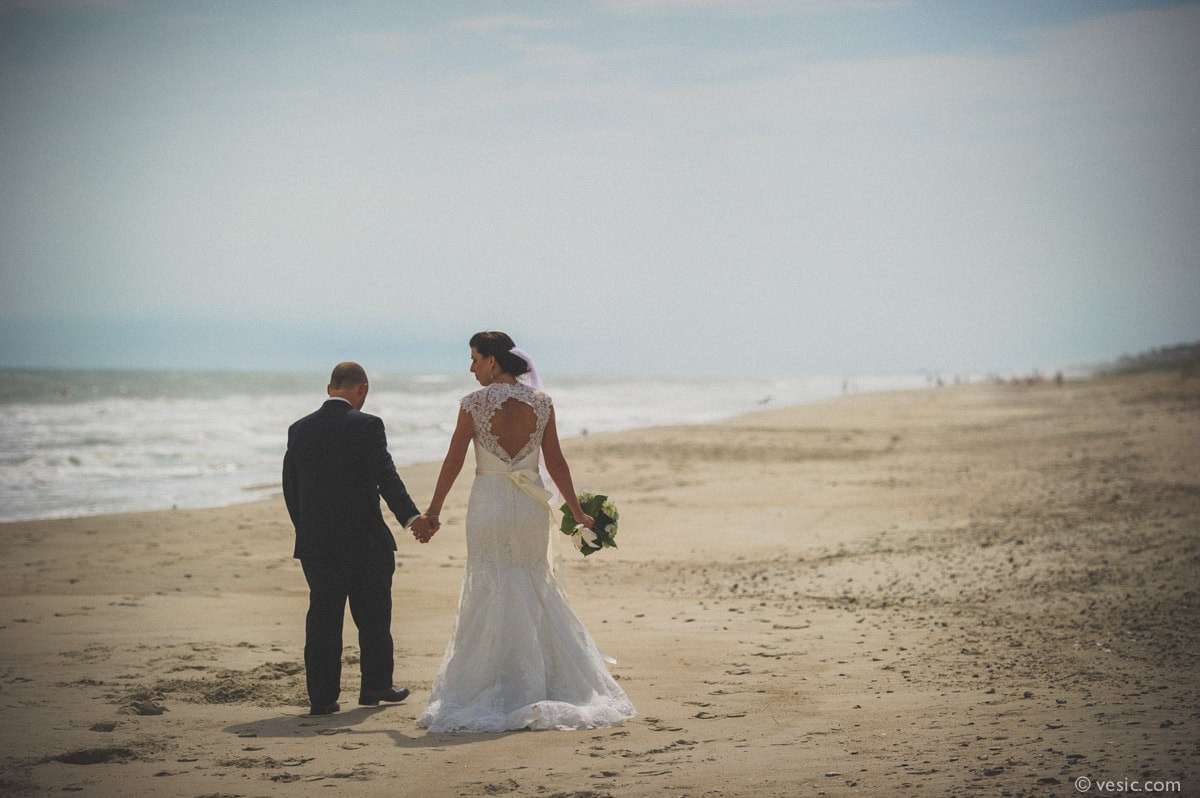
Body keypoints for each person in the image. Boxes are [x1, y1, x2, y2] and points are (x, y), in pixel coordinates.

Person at [413, 332, 635, 733]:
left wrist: (433, 511)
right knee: (533, 583)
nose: (472, 367)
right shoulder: (541, 403)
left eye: (475, 359)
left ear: (494, 361)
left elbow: (452, 461)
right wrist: (578, 511)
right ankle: (542, 680)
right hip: (531, 505)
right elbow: (558, 463)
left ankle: (493, 682)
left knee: (490, 584)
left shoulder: (472, 404)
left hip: (489, 503)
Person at [283, 362, 434, 716]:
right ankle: (375, 686)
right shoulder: (367, 425)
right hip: (363, 540)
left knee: (323, 616)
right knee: (373, 615)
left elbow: (292, 486)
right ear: (362, 389)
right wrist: (412, 518)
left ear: (329, 388)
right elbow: (386, 476)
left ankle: (322, 698)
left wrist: (304, 529)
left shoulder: (299, 429)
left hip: (316, 543)